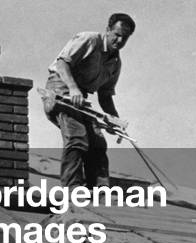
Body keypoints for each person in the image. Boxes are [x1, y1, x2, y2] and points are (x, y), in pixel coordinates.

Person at [43, 13, 135, 189]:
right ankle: (73, 188)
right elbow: (62, 63)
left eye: (125, 38)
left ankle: (100, 190)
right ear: (108, 30)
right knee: (77, 136)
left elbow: (105, 95)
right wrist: (73, 88)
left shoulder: (115, 62)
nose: (119, 40)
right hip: (60, 87)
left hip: (80, 97)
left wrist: (114, 120)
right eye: (117, 35)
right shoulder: (90, 39)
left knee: (98, 143)